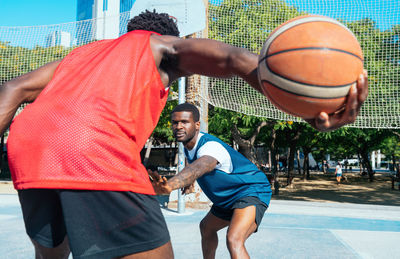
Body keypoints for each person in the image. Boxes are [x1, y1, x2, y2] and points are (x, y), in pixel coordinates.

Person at [0, 9, 368, 259]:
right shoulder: (159, 45)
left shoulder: (82, 55)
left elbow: (11, 90)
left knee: (52, 252)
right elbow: (232, 60)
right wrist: (304, 106)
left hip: (30, 148)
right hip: (92, 149)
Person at [149, 103, 272, 259]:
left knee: (234, 239)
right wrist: (188, 182)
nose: (179, 126)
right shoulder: (189, 146)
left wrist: (171, 185)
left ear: (197, 125)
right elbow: (192, 164)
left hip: (250, 191)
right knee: (207, 227)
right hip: (227, 199)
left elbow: (201, 165)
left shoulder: (210, 147)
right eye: (175, 122)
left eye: (184, 122)